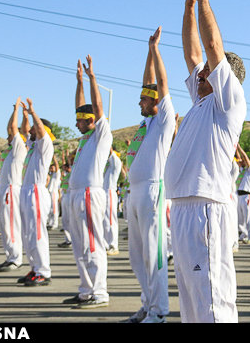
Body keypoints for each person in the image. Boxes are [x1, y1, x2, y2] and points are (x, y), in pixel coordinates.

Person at [164, 0, 247, 323]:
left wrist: (205, 4)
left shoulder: (228, 103)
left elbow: (211, 49)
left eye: (206, 74)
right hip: (182, 208)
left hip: (206, 210)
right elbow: (193, 52)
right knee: (190, 298)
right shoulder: (199, 103)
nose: (199, 76)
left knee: (212, 297)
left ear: (222, 77)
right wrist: (188, 9)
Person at [122, 27, 176, 324]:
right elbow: (148, 84)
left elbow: (161, 85)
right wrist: (147, 49)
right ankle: (147, 304)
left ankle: (159, 312)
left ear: (156, 102)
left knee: (154, 256)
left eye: (144, 100)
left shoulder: (164, 120)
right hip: (134, 193)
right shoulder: (145, 125)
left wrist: (157, 50)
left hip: (154, 191)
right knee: (136, 256)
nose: (140, 103)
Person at [63, 56, 113, 309]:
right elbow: (81, 106)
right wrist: (79, 82)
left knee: (93, 243)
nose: (76, 123)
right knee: (80, 245)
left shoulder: (101, 135)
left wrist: (93, 78)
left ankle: (100, 292)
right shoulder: (85, 139)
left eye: (81, 120)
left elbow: (97, 107)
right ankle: (86, 290)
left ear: (91, 121)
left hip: (89, 195)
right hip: (75, 194)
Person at [18, 99, 55, 287]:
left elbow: (39, 130)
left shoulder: (45, 144)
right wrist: (24, 115)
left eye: (34, 128)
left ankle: (43, 271)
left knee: (38, 233)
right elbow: (26, 131)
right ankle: (34, 268)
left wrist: (33, 112)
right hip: (26, 191)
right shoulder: (32, 146)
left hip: (37, 192)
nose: (31, 131)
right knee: (27, 233)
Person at [0, 98, 28, 272]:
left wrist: (15, 110)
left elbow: (13, 128)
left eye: (11, 136)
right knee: (5, 224)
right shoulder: (11, 151)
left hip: (13, 189)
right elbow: (14, 129)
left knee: (11, 224)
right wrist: (21, 114)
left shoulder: (19, 147)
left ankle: (16, 258)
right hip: (6, 189)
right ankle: (10, 256)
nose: (8, 136)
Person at [235, 145, 250, 245]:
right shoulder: (242, 171)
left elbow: (244, 157)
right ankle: (244, 234)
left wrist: (239, 147)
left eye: (243, 160)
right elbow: (239, 158)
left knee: (249, 217)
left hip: (247, 196)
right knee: (240, 218)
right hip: (239, 196)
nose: (240, 161)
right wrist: (235, 148)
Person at [102, 147, 122, 256]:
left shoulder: (116, 162)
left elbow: (109, 150)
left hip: (109, 191)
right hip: (104, 192)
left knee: (110, 220)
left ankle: (114, 245)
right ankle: (106, 244)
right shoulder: (108, 166)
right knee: (105, 220)